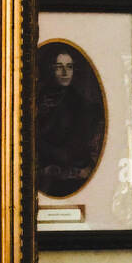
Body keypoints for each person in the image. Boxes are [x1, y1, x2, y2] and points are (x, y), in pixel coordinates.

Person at [35, 41, 104, 198]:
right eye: (59, 66)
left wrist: (35, 140)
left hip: (67, 181)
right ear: (49, 69)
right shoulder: (36, 99)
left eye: (69, 66)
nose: (65, 72)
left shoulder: (81, 106)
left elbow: (69, 154)